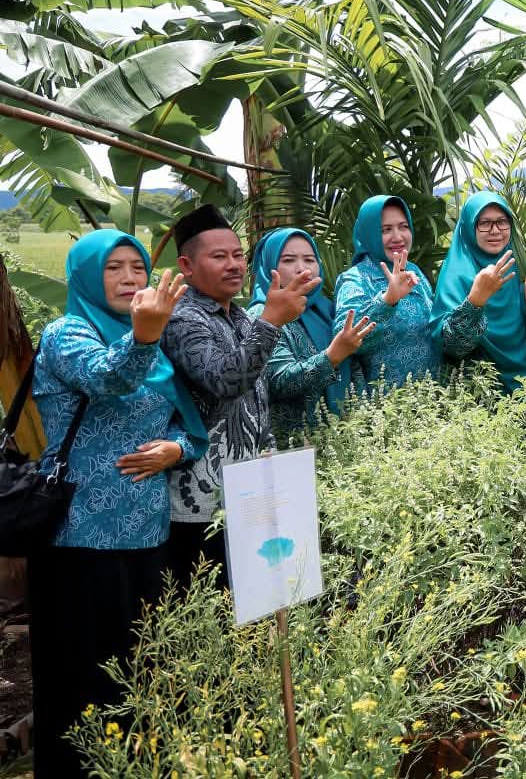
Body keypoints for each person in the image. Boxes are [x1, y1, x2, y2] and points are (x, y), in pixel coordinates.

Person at [28, 231, 206, 779]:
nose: (131, 279)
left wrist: (177, 448)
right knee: (80, 670)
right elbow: (108, 378)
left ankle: (135, 766)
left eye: (137, 268)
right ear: (85, 276)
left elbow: (185, 422)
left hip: (146, 530)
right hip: (78, 536)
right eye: (114, 269)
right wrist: (145, 335)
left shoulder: (151, 344)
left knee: (138, 667)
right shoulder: (66, 333)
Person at [162, 205, 317, 585]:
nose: (233, 265)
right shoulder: (183, 319)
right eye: (219, 257)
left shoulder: (243, 318)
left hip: (250, 494)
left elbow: (257, 402)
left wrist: (273, 465)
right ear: (187, 265)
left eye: (237, 255)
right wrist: (272, 321)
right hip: (203, 500)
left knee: (257, 598)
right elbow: (225, 380)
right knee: (206, 605)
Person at [248, 228, 374, 440]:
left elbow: (354, 368)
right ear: (269, 267)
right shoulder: (262, 316)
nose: (302, 269)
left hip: (348, 440)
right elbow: (278, 382)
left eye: (309, 259)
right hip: (295, 447)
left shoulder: (327, 310)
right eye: (288, 260)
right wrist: (332, 356)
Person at [334, 195, 469, 389]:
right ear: (369, 233)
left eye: (403, 226)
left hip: (434, 403)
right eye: (385, 230)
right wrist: (387, 300)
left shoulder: (414, 272)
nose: (397, 237)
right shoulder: (355, 279)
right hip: (387, 410)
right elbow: (343, 338)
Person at [430, 192, 526, 390]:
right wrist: (475, 301)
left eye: (502, 221)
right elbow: (452, 348)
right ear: (468, 227)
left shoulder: (511, 266)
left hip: (524, 384)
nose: (495, 230)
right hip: (476, 394)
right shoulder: (457, 274)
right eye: (484, 223)